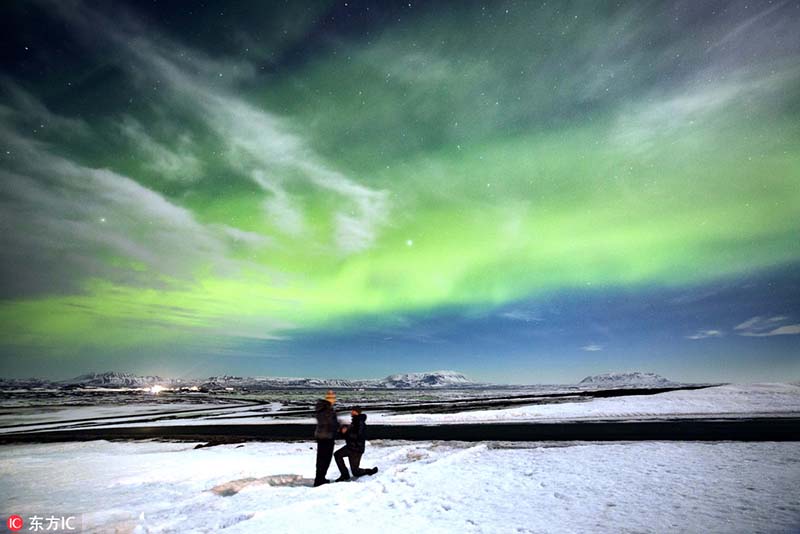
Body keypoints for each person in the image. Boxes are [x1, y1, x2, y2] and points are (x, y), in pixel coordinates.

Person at [333, 406, 378, 482]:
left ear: (356, 412)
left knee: (355, 472)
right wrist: (342, 431)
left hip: (356, 449)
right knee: (337, 455)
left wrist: (346, 432)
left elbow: (358, 436)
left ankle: (369, 471)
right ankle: (345, 475)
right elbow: (349, 435)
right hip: (351, 447)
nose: (351, 412)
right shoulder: (354, 422)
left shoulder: (360, 423)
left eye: (353, 411)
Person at [313, 390, 339, 487]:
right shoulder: (327, 410)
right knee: (325, 459)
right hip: (327, 437)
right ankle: (319, 480)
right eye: (332, 399)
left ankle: (320, 478)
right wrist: (338, 427)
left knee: (321, 459)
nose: (334, 400)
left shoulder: (322, 409)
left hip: (322, 436)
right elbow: (330, 423)